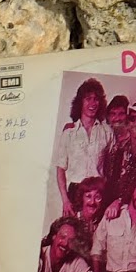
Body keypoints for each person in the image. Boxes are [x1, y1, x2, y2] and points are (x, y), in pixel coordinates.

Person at [54, 78, 113, 217]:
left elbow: (111, 167)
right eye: (88, 99)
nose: (93, 103)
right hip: (75, 191)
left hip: (98, 193)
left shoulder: (107, 131)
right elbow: (60, 169)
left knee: (97, 230)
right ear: (80, 102)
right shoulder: (69, 132)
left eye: (96, 99)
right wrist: (65, 200)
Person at [37, 216, 106, 272]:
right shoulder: (40, 255)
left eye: (71, 241)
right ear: (54, 236)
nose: (65, 243)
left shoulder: (76, 261)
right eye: (62, 237)